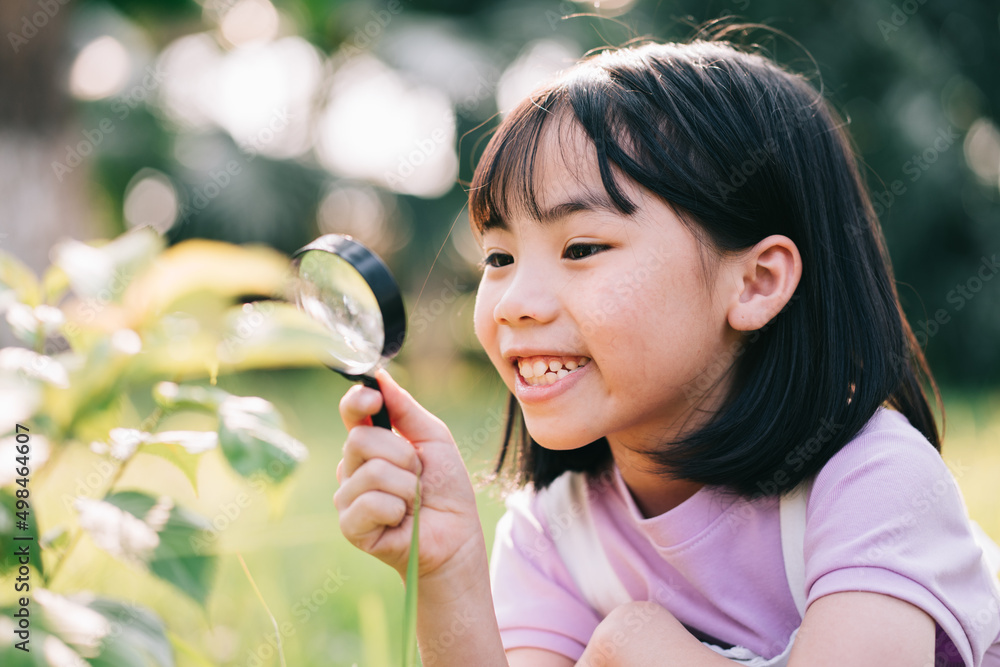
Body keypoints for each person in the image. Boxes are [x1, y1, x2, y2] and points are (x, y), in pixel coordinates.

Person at [333, 33, 1000, 667]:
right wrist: (447, 567)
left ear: (757, 282)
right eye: (500, 256)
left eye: (583, 248)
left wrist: (641, 644)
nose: (512, 302)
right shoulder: (557, 535)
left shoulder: (872, 481)